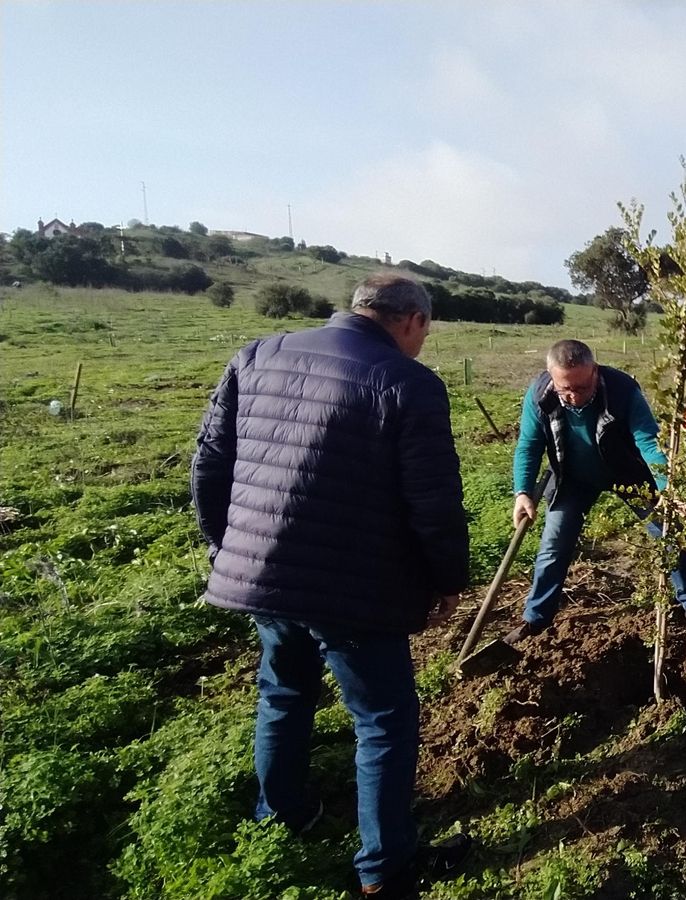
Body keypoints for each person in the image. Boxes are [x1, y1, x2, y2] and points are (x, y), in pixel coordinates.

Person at [192, 273, 472, 897]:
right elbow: (433, 500)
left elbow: (210, 459)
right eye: (426, 331)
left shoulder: (257, 355)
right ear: (412, 321)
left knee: (283, 694)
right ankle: (385, 868)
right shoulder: (408, 382)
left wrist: (228, 547)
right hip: (355, 589)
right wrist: (447, 578)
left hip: (263, 574)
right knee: (383, 719)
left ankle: (282, 818)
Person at [499, 340, 686, 648]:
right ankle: (536, 619)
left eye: (582, 387)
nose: (574, 397)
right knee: (553, 544)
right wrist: (522, 491)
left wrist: (667, 489)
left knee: (666, 531)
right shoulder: (539, 396)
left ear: (595, 372)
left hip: (627, 473)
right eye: (566, 390)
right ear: (552, 378)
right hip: (572, 478)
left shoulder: (621, 389)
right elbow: (529, 445)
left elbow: (648, 442)